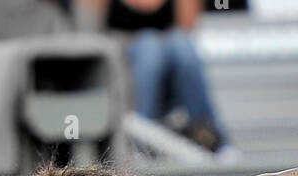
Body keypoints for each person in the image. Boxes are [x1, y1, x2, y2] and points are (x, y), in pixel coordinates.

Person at [79, 0, 234, 153]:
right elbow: (91, 36)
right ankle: (137, 143)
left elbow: (187, 31)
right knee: (149, 46)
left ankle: (209, 137)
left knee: (179, 44)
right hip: (122, 69)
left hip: (170, 74)